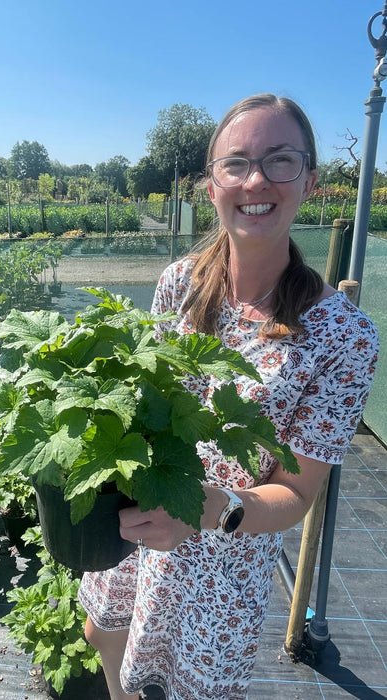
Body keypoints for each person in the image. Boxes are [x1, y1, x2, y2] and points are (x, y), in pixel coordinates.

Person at [78, 93, 379, 700]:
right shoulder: (179, 283)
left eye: (280, 160)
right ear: (211, 185)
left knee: (183, 687)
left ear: (311, 181)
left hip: (223, 550)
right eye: (235, 163)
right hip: (144, 504)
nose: (256, 179)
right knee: (102, 631)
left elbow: (295, 492)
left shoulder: (345, 336)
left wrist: (214, 509)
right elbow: (141, 394)